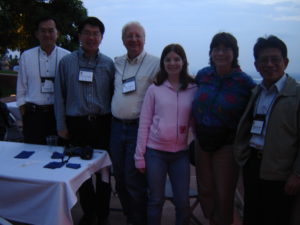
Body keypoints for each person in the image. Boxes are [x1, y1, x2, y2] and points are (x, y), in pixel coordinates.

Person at [54, 17, 114, 225]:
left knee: (103, 171)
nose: (91, 37)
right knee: (81, 172)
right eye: (87, 33)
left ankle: (103, 214)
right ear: (79, 35)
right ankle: (89, 213)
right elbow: (59, 96)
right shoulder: (67, 62)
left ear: (101, 37)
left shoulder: (108, 64)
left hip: (102, 123)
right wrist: (61, 126)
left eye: (96, 34)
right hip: (76, 124)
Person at [234, 35, 300, 225]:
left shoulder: (295, 95)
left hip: (281, 172)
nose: (269, 64)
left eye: (275, 59)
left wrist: (297, 174)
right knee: (253, 216)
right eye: (264, 60)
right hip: (253, 165)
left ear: (285, 62)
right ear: (256, 65)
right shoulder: (256, 92)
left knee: (278, 218)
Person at [191, 32, 255, 225]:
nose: (220, 53)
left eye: (226, 49)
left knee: (224, 193)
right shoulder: (203, 75)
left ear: (234, 53)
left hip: (227, 146)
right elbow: (184, 86)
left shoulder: (244, 82)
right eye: (216, 48)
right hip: (202, 143)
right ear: (210, 53)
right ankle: (213, 220)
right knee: (206, 190)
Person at [135, 44, 197, 225]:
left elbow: (195, 122)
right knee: (155, 200)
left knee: (183, 202)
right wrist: (139, 156)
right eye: (168, 59)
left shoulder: (193, 88)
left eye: (176, 59)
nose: (172, 63)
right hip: (155, 153)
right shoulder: (155, 89)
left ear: (183, 61)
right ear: (163, 63)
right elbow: (144, 123)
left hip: (180, 154)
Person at [110, 21, 159, 225]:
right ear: (123, 40)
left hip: (138, 128)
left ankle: (139, 220)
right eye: (129, 36)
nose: (133, 39)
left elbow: (174, 83)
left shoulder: (155, 63)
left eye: (138, 35)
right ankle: (131, 216)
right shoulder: (116, 63)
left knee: (134, 180)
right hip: (115, 126)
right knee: (119, 178)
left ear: (144, 39)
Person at [16, 16, 70, 144]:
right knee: (32, 154)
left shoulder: (67, 57)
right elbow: (21, 87)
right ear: (37, 34)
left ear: (57, 33)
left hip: (57, 115)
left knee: (58, 155)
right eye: (43, 31)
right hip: (34, 115)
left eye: (51, 31)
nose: (47, 34)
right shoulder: (27, 56)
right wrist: (24, 112)